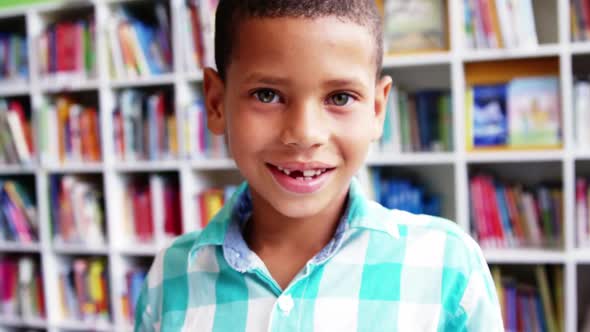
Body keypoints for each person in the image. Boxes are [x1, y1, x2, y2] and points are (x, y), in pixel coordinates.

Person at [135, 0, 503, 330]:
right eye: (267, 95)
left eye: (340, 97)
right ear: (216, 103)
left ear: (377, 109)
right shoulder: (170, 278)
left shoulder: (447, 267)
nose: (305, 134)